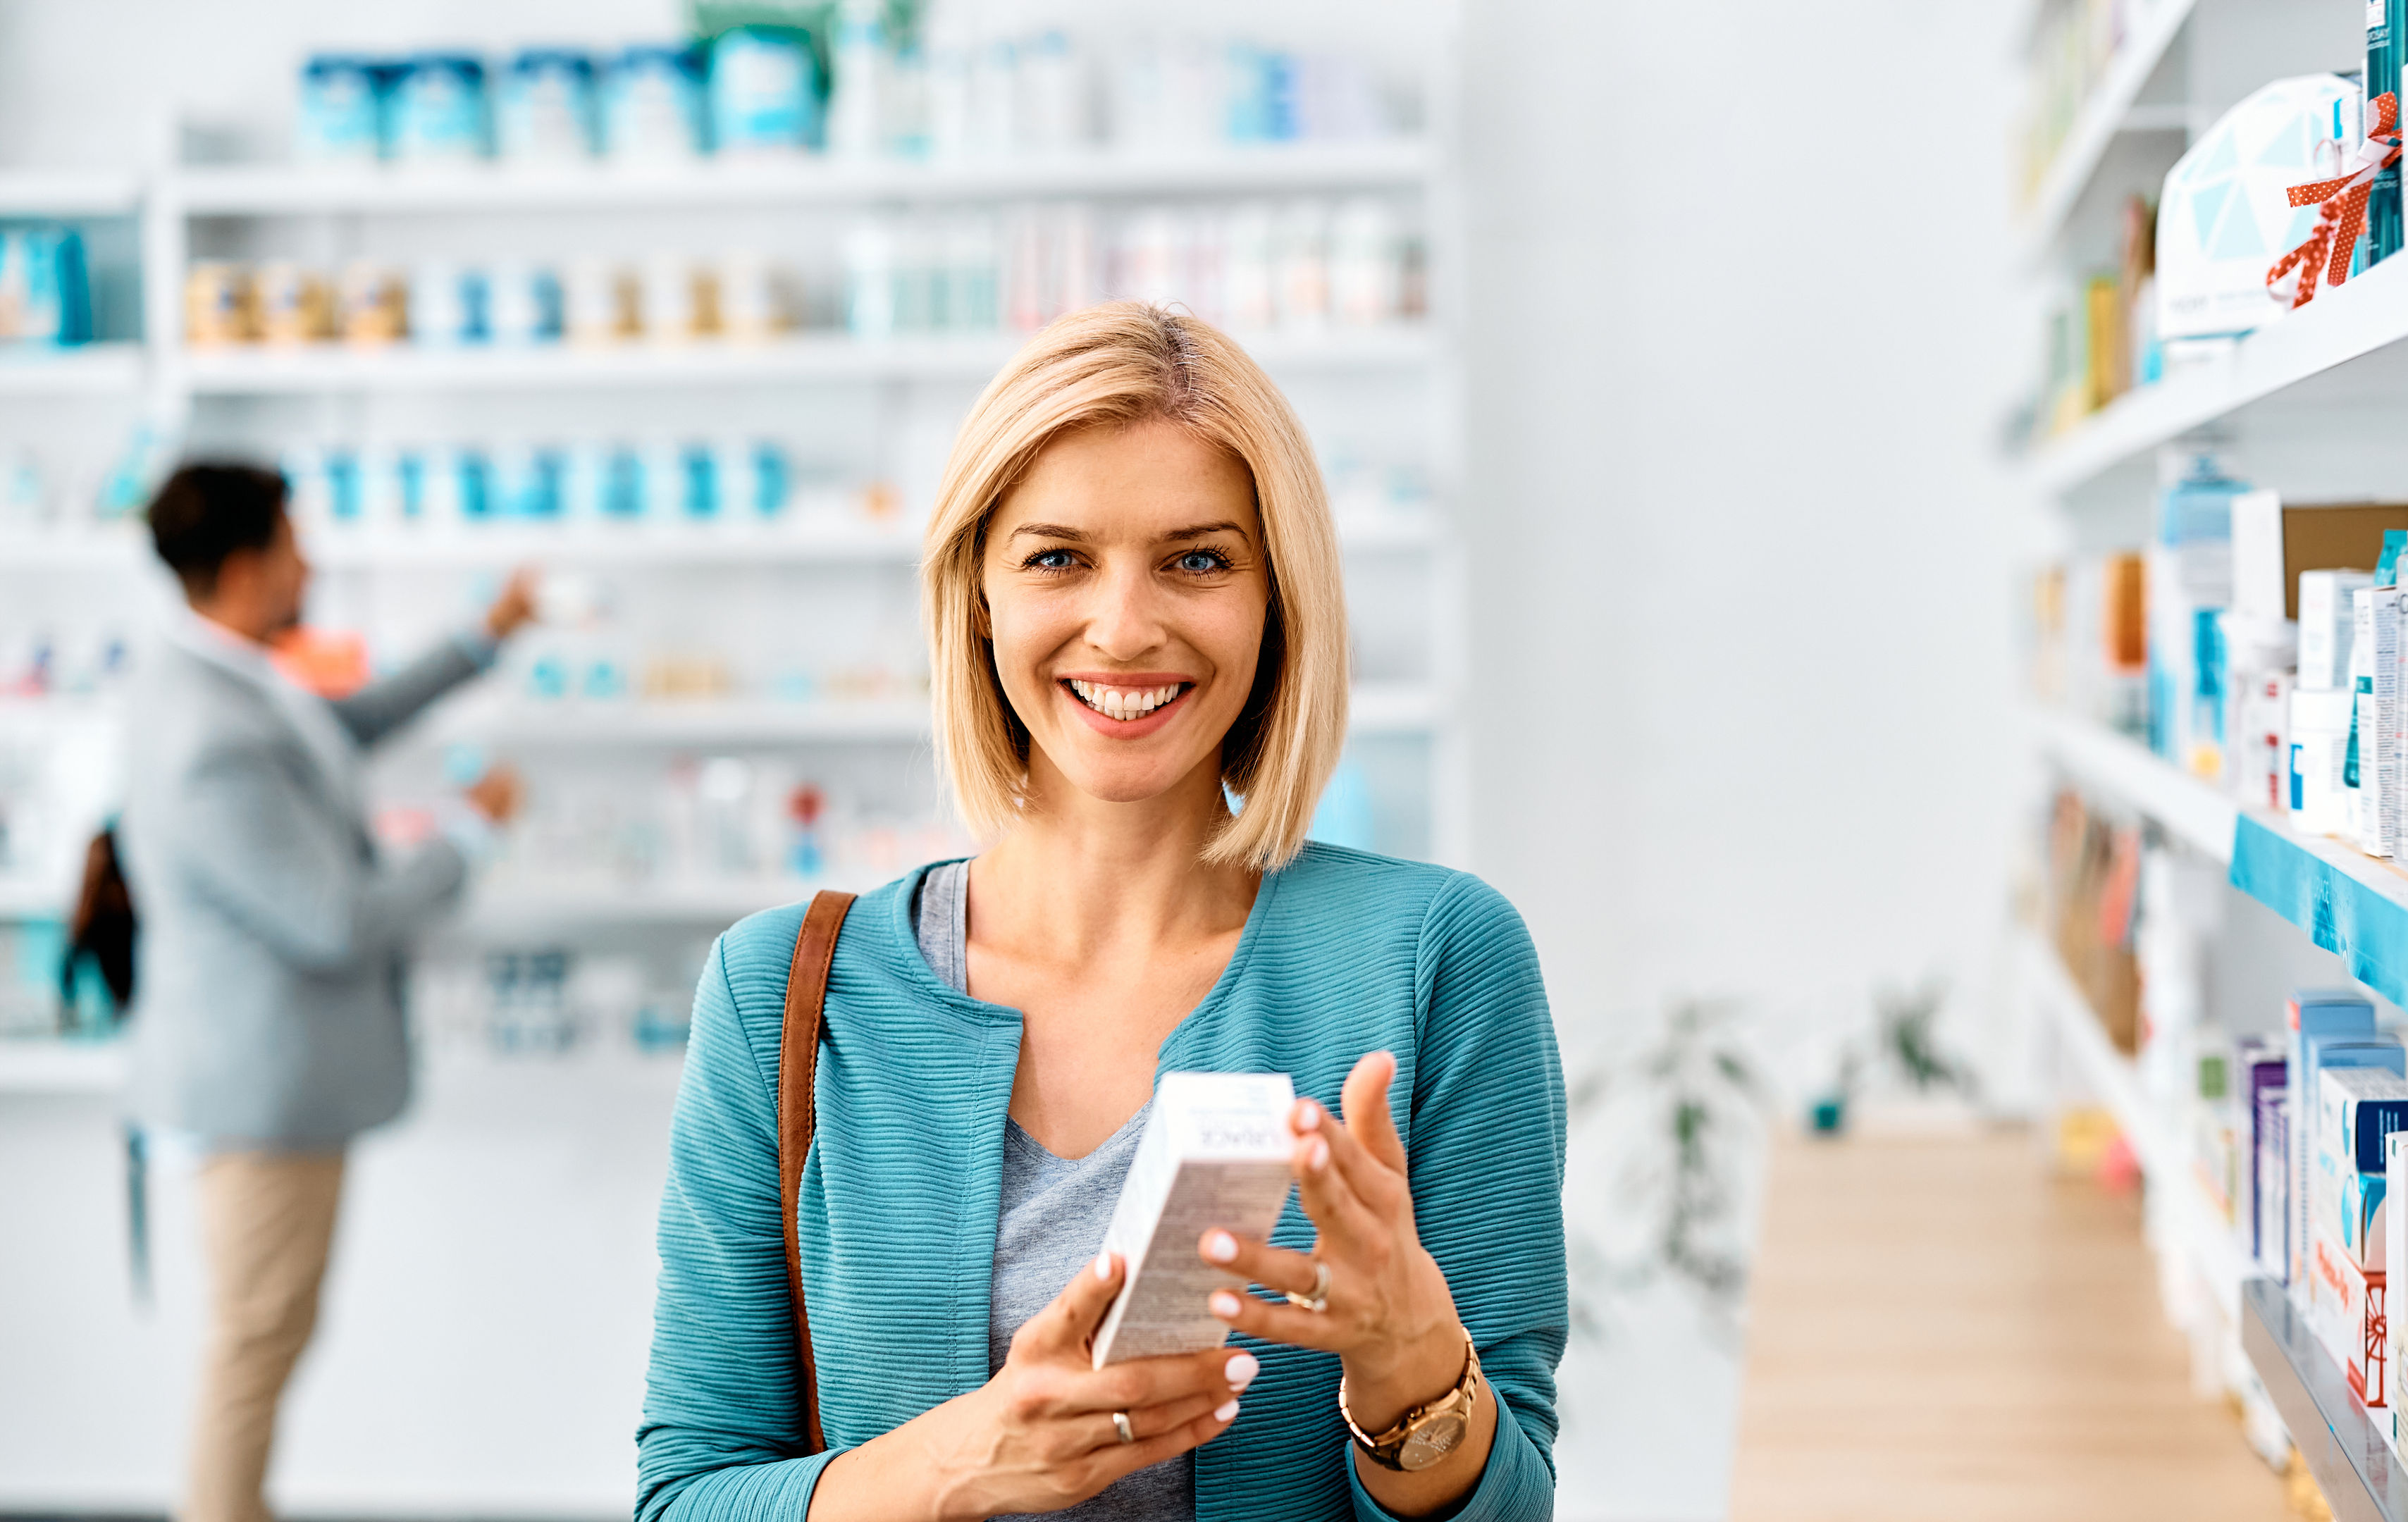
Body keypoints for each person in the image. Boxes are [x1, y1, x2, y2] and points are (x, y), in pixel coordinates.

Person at [638, 303, 1564, 1522]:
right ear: (977, 593)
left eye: (1197, 559)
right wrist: (956, 1467)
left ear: (1279, 596)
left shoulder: (1434, 959)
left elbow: (1509, 1510)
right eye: (1057, 557)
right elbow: (685, 1498)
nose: (1124, 628)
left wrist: (1408, 1367)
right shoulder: (784, 994)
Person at [122, 462, 536, 1522]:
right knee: (255, 1341)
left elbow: (333, 731)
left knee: (270, 1330)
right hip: (259, 1094)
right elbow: (335, 920)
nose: (310, 563)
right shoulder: (206, 732)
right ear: (251, 562)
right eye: (295, 543)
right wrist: (468, 835)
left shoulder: (229, 676)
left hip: (279, 1083)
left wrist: (480, 639)